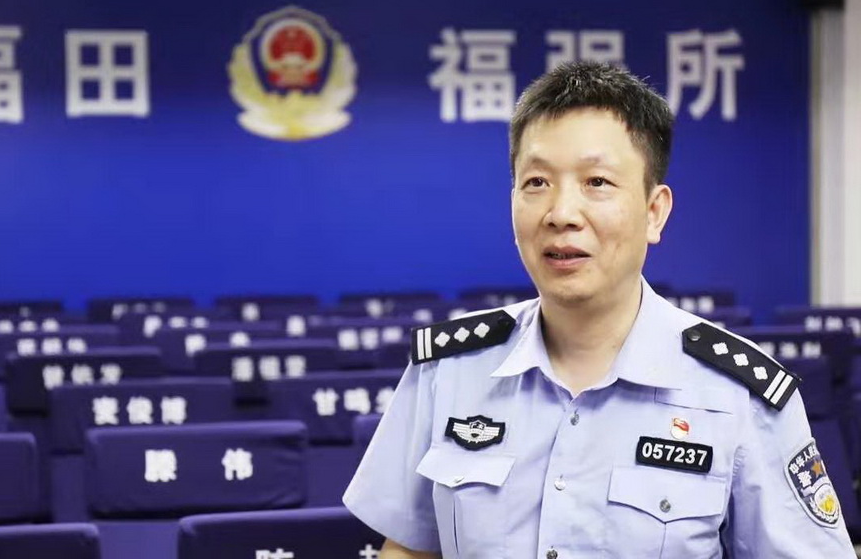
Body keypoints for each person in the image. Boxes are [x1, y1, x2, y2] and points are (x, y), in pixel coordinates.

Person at [342, 61, 855, 558]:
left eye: (597, 183)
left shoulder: (740, 396)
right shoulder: (448, 371)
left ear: (654, 212)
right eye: (536, 183)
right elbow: (410, 547)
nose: (562, 213)